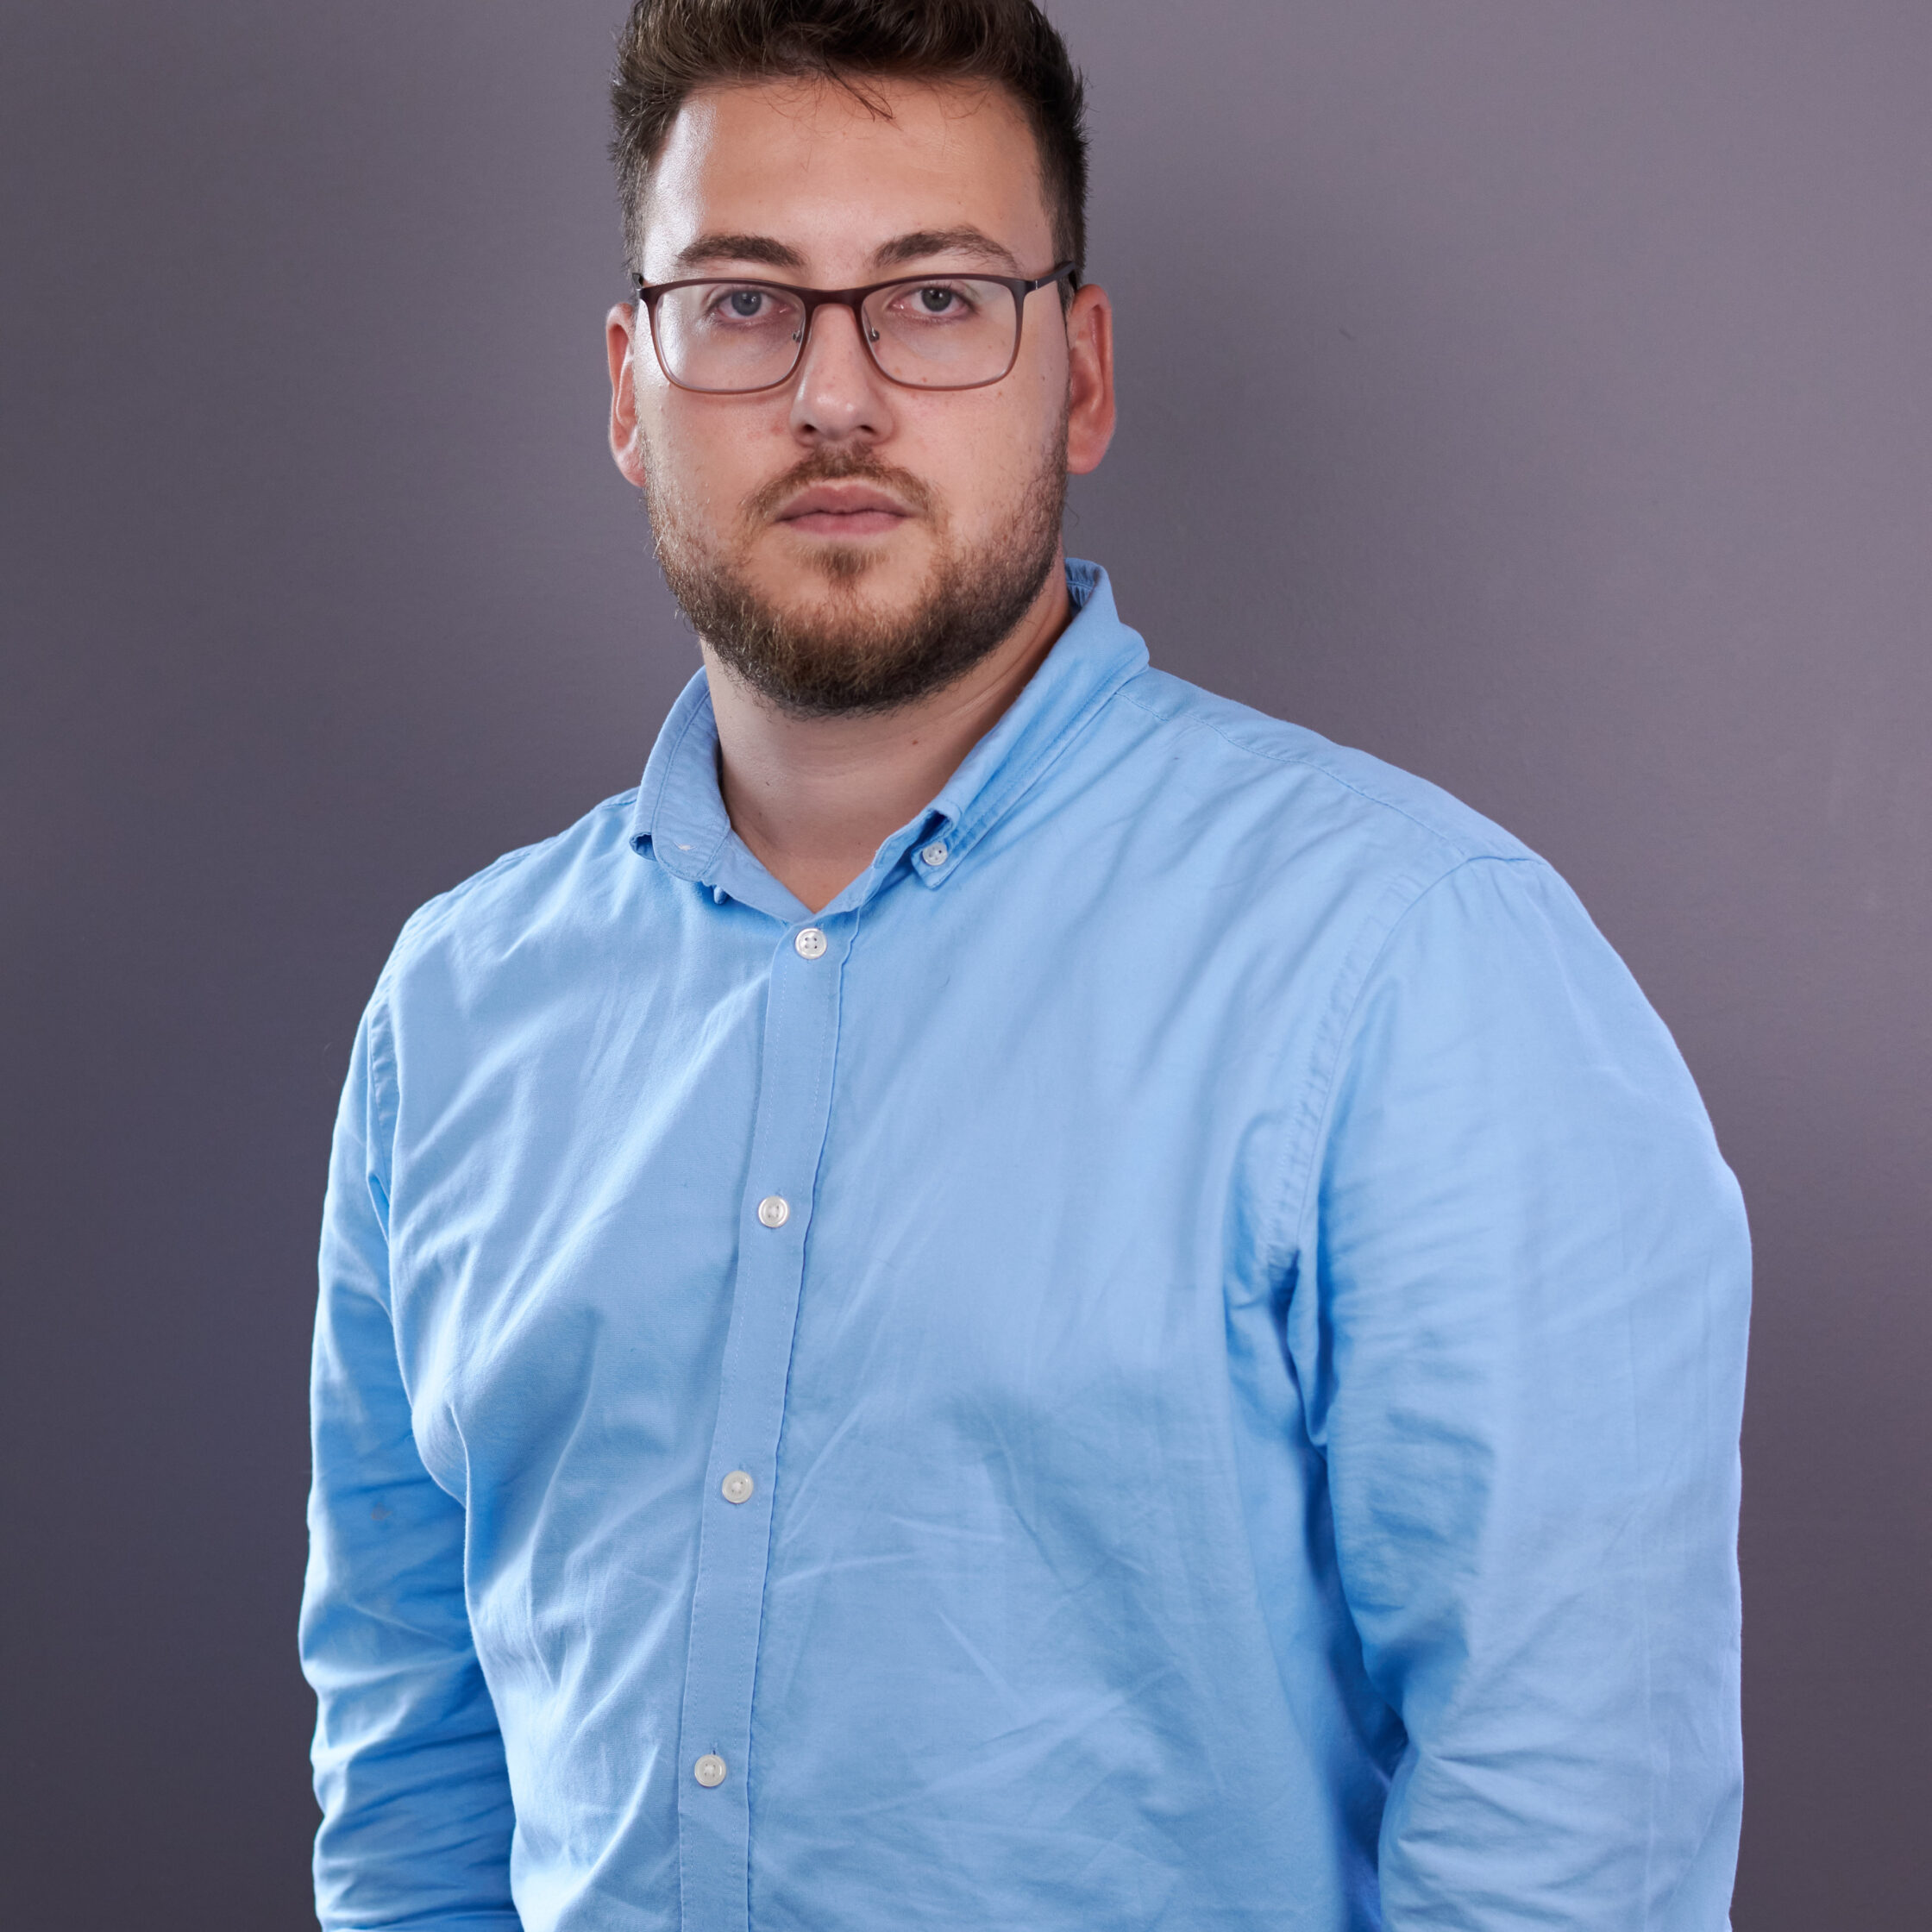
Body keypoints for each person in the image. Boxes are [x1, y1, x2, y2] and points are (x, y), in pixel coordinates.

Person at [300, 3, 1751, 1927]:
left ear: (1076, 371)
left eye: (933, 298)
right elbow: (415, 1776)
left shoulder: (1415, 968)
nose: (833, 397)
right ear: (630, 385)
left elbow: (1574, 1826)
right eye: (742, 302)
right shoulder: (456, 1009)